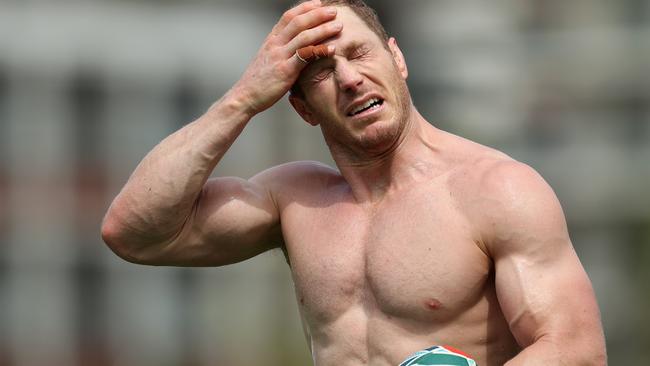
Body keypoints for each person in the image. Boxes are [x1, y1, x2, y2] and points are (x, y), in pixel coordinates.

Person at [101, 0, 607, 364]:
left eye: (359, 53)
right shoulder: (295, 200)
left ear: (398, 59)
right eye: (320, 71)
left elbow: (577, 349)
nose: (348, 78)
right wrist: (243, 100)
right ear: (301, 108)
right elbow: (133, 232)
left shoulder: (496, 189)